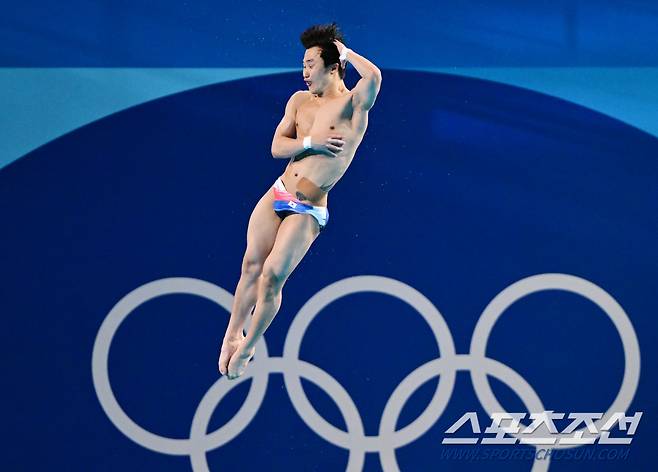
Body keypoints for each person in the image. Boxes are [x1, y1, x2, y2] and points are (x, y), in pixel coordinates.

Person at [218, 22, 382, 380]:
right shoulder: (298, 101)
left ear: (333, 65)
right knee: (251, 266)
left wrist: (348, 52)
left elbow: (375, 77)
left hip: (308, 207)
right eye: (303, 65)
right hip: (277, 192)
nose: (304, 72)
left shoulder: (353, 104)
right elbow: (277, 148)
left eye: (310, 65)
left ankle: (248, 347)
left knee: (273, 276)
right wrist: (311, 144)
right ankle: (233, 334)